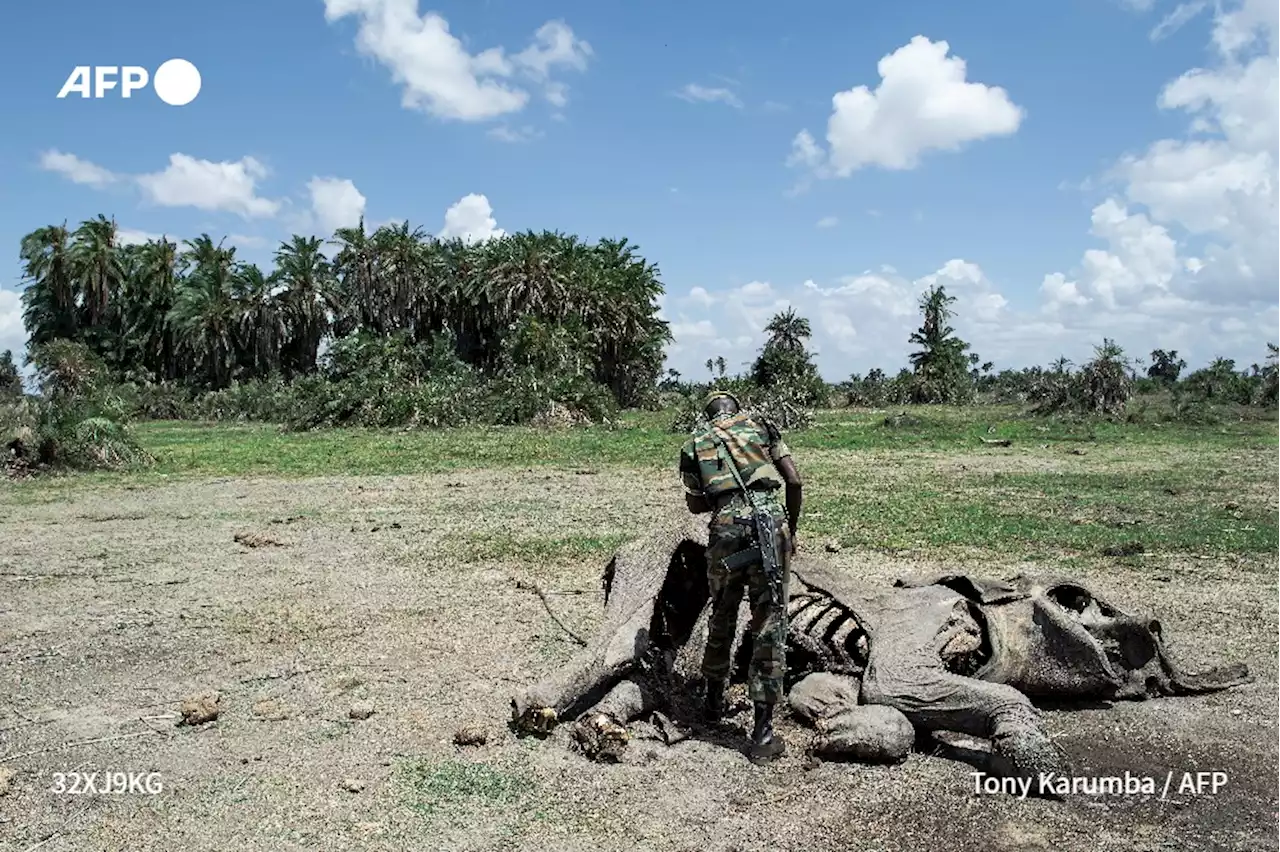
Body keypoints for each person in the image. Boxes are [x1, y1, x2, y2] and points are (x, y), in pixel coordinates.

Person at [678, 390, 803, 763]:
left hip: (726, 529)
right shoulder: (762, 426)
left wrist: (721, 495)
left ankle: (712, 701)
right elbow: (794, 481)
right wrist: (790, 530)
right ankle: (762, 732)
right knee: (769, 623)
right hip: (770, 525)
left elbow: (695, 502)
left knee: (722, 612)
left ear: (709, 415)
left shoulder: (694, 443)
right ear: (737, 410)